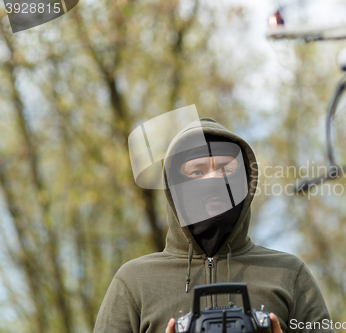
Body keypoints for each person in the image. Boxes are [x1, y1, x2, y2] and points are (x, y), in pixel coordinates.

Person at [93, 118, 333, 333]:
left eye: (226, 170)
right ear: (175, 188)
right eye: (197, 172)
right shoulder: (134, 282)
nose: (214, 181)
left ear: (245, 183)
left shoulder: (289, 274)